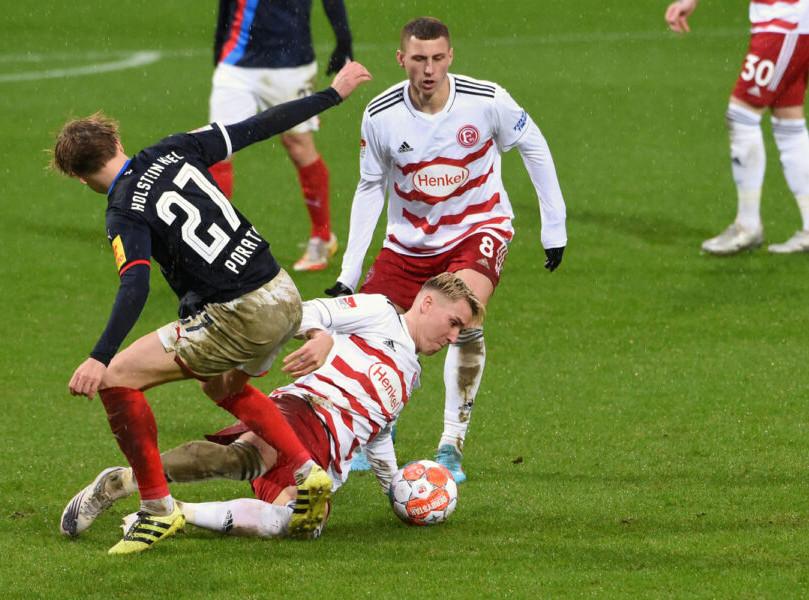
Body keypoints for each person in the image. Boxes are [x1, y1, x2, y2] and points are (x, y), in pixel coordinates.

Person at [51, 61, 372, 554]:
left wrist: (99, 355)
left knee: (118, 377)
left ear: (79, 177)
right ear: (118, 141)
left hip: (237, 313)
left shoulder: (123, 210)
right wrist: (331, 94)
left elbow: (134, 285)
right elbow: (259, 126)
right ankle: (307, 470)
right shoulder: (175, 147)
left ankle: (157, 509)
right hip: (283, 293)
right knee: (221, 384)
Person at [324, 17, 568, 482]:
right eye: (418, 59)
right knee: (370, 334)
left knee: (462, 312)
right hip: (407, 242)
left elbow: (534, 147)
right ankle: (381, 426)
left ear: (450, 57)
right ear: (402, 60)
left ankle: (451, 444)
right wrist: (348, 274)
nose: (429, 69)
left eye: (437, 58)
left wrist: (553, 227)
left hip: (478, 229)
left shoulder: (487, 100)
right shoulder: (380, 114)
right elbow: (370, 186)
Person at [60, 273, 484, 540]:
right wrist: (321, 336)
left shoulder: (411, 374)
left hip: (327, 458)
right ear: (427, 303)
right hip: (307, 409)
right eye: (453, 323)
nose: (453, 337)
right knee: (246, 458)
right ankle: (133, 490)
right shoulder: (379, 312)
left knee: (299, 526)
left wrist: (396, 487)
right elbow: (306, 311)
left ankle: (160, 501)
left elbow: (377, 434)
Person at [665, 0, 809, 255]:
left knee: (741, 116)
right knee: (788, 121)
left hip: (787, 23)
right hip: (782, 24)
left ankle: (747, 226)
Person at [208, 0, 355, 271]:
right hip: (236, 64)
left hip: (291, 63)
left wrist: (343, 38)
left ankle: (322, 238)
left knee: (299, 147)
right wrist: (219, 48)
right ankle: (214, 246)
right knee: (218, 149)